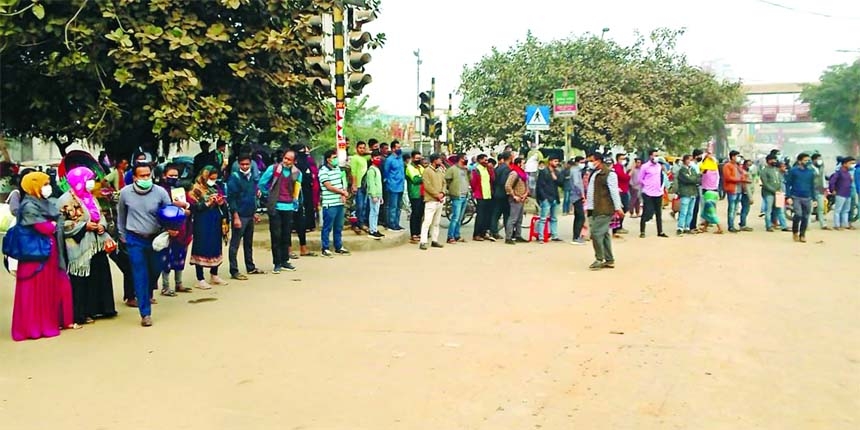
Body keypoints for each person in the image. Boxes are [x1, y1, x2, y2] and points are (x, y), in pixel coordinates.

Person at [11, 172, 76, 340]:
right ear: (34, 185)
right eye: (44, 183)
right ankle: (32, 329)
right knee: (32, 293)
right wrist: (53, 224)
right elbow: (46, 228)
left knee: (46, 292)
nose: (48, 187)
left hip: (47, 254)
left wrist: (54, 223)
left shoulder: (43, 202)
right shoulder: (29, 206)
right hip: (34, 256)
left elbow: (55, 222)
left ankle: (45, 325)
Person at [57, 166, 118, 326]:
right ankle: (82, 313)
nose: (92, 183)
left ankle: (102, 308)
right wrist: (84, 226)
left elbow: (100, 215)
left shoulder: (91, 197)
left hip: (96, 244)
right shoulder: (65, 200)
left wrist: (101, 226)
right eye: (88, 179)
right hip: (79, 247)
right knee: (81, 280)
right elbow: (62, 225)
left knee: (100, 275)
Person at [117, 163, 173, 327]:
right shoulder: (125, 193)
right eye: (142, 176)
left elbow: (169, 213)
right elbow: (121, 215)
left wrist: (172, 228)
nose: (146, 178)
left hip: (156, 239)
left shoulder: (160, 192)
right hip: (135, 239)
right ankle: (145, 313)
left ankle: (148, 291)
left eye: (148, 175)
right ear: (134, 177)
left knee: (155, 268)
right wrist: (122, 236)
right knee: (139, 273)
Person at [259, 150, 302, 272]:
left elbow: (297, 190)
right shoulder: (273, 169)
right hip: (276, 207)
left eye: (289, 159)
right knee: (276, 235)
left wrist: (296, 202)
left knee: (286, 235)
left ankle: (285, 261)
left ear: (294, 161)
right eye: (285, 158)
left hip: (289, 207)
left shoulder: (297, 173)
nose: (286, 161)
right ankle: (277, 263)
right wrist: (269, 194)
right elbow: (262, 184)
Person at [188, 166, 229, 287]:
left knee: (216, 245)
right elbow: (194, 207)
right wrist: (207, 203)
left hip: (215, 220)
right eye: (211, 178)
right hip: (202, 221)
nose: (213, 181)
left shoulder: (216, 187)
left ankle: (214, 274)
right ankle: (200, 278)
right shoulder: (195, 189)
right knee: (201, 245)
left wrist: (221, 202)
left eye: (215, 179)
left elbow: (224, 203)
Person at [157, 164, 193, 295]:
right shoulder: (160, 190)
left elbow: (190, 203)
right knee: (166, 259)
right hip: (168, 229)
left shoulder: (181, 189)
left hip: (183, 229)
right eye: (170, 175)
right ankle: (165, 287)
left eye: (176, 176)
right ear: (164, 175)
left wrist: (186, 208)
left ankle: (179, 284)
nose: (173, 178)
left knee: (180, 257)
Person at [228, 154, 265, 279]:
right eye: (242, 164)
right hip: (240, 215)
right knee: (235, 243)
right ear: (239, 164)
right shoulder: (235, 178)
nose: (245, 166)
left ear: (251, 164)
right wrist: (235, 216)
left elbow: (251, 196)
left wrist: (254, 213)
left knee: (248, 243)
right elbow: (231, 199)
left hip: (249, 214)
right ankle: (234, 270)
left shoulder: (251, 178)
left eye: (247, 164)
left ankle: (250, 267)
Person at [585, 153, 624, 270]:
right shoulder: (595, 173)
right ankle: (609, 259)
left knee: (596, 233)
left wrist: (618, 207)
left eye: (592, 160)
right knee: (605, 234)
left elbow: (614, 192)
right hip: (594, 208)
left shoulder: (609, 174)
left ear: (599, 161)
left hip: (604, 208)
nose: (590, 163)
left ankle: (599, 258)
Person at [319, 150, 351, 257]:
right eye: (334, 157)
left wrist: (343, 194)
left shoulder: (337, 169)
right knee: (327, 226)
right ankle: (325, 248)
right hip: (329, 203)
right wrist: (342, 192)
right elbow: (328, 186)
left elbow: (342, 182)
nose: (336, 159)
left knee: (338, 226)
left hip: (339, 202)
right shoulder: (323, 171)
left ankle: (338, 246)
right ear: (328, 159)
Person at [292, 143, 320, 257]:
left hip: (305, 195)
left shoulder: (306, 163)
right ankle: (288, 250)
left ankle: (303, 248)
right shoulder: (291, 168)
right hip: (292, 197)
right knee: (290, 223)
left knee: (302, 222)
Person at [785, 153, 816, 243]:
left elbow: (812, 186)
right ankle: (795, 232)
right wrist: (788, 196)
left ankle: (802, 234)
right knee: (798, 214)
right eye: (805, 160)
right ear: (799, 161)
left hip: (807, 197)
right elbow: (788, 184)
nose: (807, 162)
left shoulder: (810, 172)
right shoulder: (793, 171)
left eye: (808, 160)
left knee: (806, 217)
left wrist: (814, 199)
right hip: (796, 196)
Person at [419, 153, 447, 250]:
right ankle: (423, 241)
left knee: (436, 222)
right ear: (434, 160)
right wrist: (436, 195)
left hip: (440, 200)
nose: (441, 161)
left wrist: (442, 193)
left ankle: (434, 240)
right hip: (431, 200)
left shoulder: (440, 171)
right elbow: (427, 186)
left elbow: (444, 183)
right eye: (439, 159)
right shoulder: (427, 171)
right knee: (427, 222)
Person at [638, 149, 668, 238]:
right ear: (650, 156)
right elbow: (640, 179)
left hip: (658, 192)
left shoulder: (659, 166)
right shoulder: (645, 166)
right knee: (647, 212)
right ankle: (642, 231)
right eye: (654, 155)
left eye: (657, 155)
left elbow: (663, 176)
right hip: (648, 192)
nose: (656, 157)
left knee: (659, 213)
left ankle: (660, 231)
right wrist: (647, 184)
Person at [535, 155, 564, 242]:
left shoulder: (557, 172)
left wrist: (555, 177)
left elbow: (561, 183)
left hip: (555, 197)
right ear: (550, 161)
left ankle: (554, 235)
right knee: (543, 218)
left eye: (557, 161)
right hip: (546, 197)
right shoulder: (543, 172)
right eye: (555, 161)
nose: (557, 163)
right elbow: (540, 186)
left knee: (554, 218)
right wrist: (543, 198)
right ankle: (541, 236)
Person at [444, 153, 471, 244]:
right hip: (457, 196)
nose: (466, 160)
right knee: (455, 217)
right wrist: (450, 190)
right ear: (460, 159)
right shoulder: (452, 169)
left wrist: (469, 172)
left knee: (460, 218)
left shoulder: (465, 170)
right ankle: (450, 236)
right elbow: (446, 180)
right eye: (465, 158)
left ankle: (457, 235)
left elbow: (469, 180)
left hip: (465, 195)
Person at [470, 154, 496, 241]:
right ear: (479, 160)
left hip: (488, 195)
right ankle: (476, 234)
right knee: (480, 216)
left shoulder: (487, 169)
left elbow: (492, 179)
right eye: (485, 160)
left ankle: (483, 233)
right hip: (480, 195)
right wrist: (476, 192)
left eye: (487, 160)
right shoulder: (476, 170)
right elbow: (473, 183)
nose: (486, 162)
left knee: (487, 216)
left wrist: (490, 169)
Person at [504, 156, 529, 244]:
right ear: (519, 164)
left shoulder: (523, 173)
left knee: (519, 219)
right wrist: (514, 195)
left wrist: (525, 194)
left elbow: (526, 185)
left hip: (522, 198)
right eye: (523, 163)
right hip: (515, 198)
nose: (525, 165)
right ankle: (508, 237)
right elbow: (507, 186)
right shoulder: (514, 173)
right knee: (513, 219)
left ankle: (518, 235)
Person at [760, 155, 787, 232]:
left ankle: (784, 225)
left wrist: (780, 190)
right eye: (773, 160)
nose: (775, 161)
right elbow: (765, 184)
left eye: (775, 159)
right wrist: (774, 191)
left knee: (780, 210)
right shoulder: (764, 171)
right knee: (768, 210)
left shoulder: (776, 170)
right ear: (768, 161)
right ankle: (768, 226)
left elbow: (780, 181)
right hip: (768, 193)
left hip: (778, 193)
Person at [383, 140, 406, 231]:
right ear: (393, 149)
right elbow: (386, 172)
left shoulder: (400, 159)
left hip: (401, 186)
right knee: (392, 206)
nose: (399, 149)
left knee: (399, 207)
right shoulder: (389, 160)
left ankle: (397, 223)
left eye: (399, 147)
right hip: (392, 186)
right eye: (397, 147)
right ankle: (391, 224)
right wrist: (389, 182)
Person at [675, 155, 701, 235]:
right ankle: (680, 227)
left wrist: (694, 179)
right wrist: (694, 179)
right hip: (685, 193)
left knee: (690, 212)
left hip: (693, 193)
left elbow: (698, 179)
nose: (690, 161)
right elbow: (688, 179)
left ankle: (687, 227)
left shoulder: (692, 169)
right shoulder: (682, 170)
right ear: (685, 160)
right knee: (683, 211)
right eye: (689, 160)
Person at [829, 156, 856, 231]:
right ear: (844, 164)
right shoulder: (839, 172)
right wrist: (833, 190)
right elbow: (832, 182)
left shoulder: (848, 173)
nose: (852, 165)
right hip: (840, 193)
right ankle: (836, 225)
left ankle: (845, 224)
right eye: (851, 163)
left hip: (848, 193)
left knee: (846, 210)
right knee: (838, 210)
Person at [490, 151, 512, 240]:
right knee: (506, 214)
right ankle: (508, 232)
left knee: (496, 214)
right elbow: (504, 182)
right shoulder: (507, 169)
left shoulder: (498, 168)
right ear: (510, 158)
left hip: (496, 193)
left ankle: (493, 231)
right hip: (503, 194)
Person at [722, 150, 745, 233]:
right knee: (731, 208)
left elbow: (742, 174)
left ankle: (733, 224)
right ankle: (730, 226)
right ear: (732, 157)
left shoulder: (737, 166)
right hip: (732, 189)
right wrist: (739, 180)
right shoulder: (727, 166)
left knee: (735, 208)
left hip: (738, 189)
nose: (738, 158)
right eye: (737, 156)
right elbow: (728, 177)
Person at [349, 141, 370, 234]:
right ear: (356, 148)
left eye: (363, 148)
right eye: (360, 148)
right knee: (358, 206)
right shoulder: (354, 158)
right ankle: (357, 224)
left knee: (364, 206)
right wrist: (354, 185)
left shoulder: (364, 158)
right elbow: (353, 172)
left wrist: (367, 151)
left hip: (364, 185)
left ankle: (361, 223)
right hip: (358, 185)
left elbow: (373, 153)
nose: (362, 149)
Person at [405, 151, 424, 243]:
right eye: (416, 158)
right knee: (415, 213)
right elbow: (415, 180)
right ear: (412, 158)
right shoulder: (409, 167)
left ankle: (418, 232)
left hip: (422, 193)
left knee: (420, 214)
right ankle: (413, 234)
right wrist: (423, 177)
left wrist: (422, 177)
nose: (418, 160)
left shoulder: (420, 167)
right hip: (414, 193)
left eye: (419, 158)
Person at [365, 151, 385, 239]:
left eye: (379, 158)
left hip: (378, 194)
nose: (378, 160)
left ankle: (375, 229)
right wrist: (373, 195)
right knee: (373, 212)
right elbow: (371, 184)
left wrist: (380, 196)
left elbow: (379, 184)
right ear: (372, 159)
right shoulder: (371, 170)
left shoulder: (377, 169)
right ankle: (372, 230)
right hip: (374, 195)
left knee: (376, 212)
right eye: (376, 158)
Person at [568, 156, 587, 244]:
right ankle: (576, 237)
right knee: (581, 217)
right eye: (582, 162)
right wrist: (582, 194)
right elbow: (576, 184)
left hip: (576, 195)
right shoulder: (575, 171)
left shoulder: (576, 170)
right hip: (577, 196)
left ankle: (576, 236)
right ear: (577, 162)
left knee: (578, 216)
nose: (584, 164)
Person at [612, 153, 631, 234]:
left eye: (624, 159)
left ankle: (619, 226)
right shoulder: (617, 167)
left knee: (625, 208)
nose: (623, 160)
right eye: (621, 159)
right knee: (622, 208)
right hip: (620, 191)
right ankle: (617, 227)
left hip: (625, 189)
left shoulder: (623, 167)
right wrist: (631, 172)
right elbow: (624, 177)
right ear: (617, 159)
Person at [810, 153, 830, 230]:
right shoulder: (809, 168)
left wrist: (825, 188)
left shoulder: (821, 167)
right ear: (813, 160)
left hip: (820, 189)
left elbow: (823, 178)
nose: (820, 160)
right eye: (818, 159)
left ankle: (823, 224)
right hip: (812, 190)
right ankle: (807, 225)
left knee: (821, 208)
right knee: (810, 208)